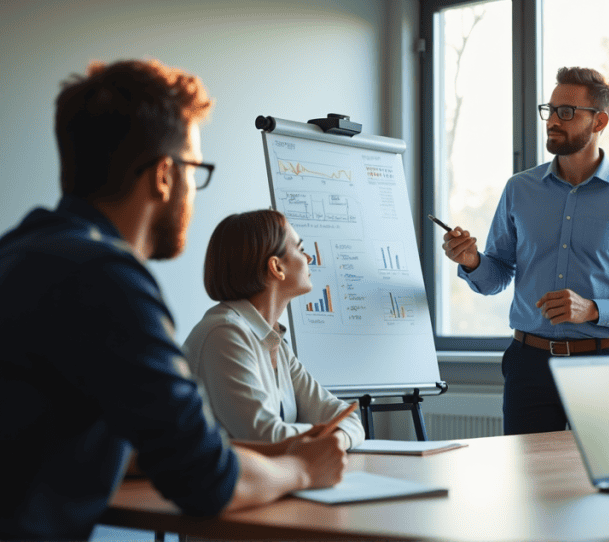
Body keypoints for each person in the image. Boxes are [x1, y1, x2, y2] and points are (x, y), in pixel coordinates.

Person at [0, 59, 348, 540]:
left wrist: (274, 454)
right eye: (194, 170)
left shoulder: (21, 253)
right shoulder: (107, 279)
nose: (193, 190)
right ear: (164, 175)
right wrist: (303, 471)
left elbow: (123, 448)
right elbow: (207, 482)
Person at [442, 67, 609, 435]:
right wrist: (471, 261)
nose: (552, 120)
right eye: (549, 110)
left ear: (599, 120)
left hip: (601, 362)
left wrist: (596, 309)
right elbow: (497, 277)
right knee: (531, 485)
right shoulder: (519, 190)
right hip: (528, 364)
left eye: (565, 112)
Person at [182, 210, 365, 448]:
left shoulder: (274, 341)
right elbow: (266, 438)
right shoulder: (225, 334)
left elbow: (346, 416)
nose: (308, 258)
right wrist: (330, 436)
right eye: (300, 249)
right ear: (277, 267)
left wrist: (336, 437)